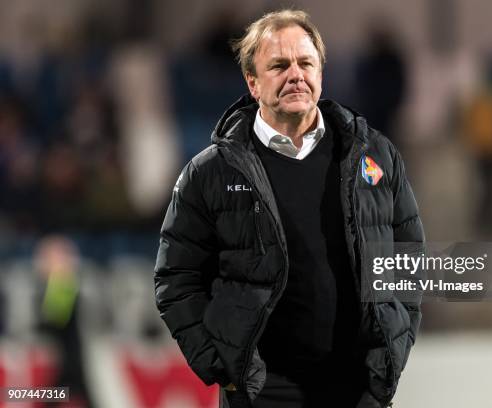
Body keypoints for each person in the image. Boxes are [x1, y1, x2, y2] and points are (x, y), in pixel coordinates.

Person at [154, 9, 424, 408]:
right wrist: (220, 365)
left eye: (306, 63)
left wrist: (390, 353)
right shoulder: (210, 172)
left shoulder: (375, 154)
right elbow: (176, 278)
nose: (295, 74)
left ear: (321, 73)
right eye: (279, 65)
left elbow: (410, 261)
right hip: (262, 392)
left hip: (355, 389)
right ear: (253, 83)